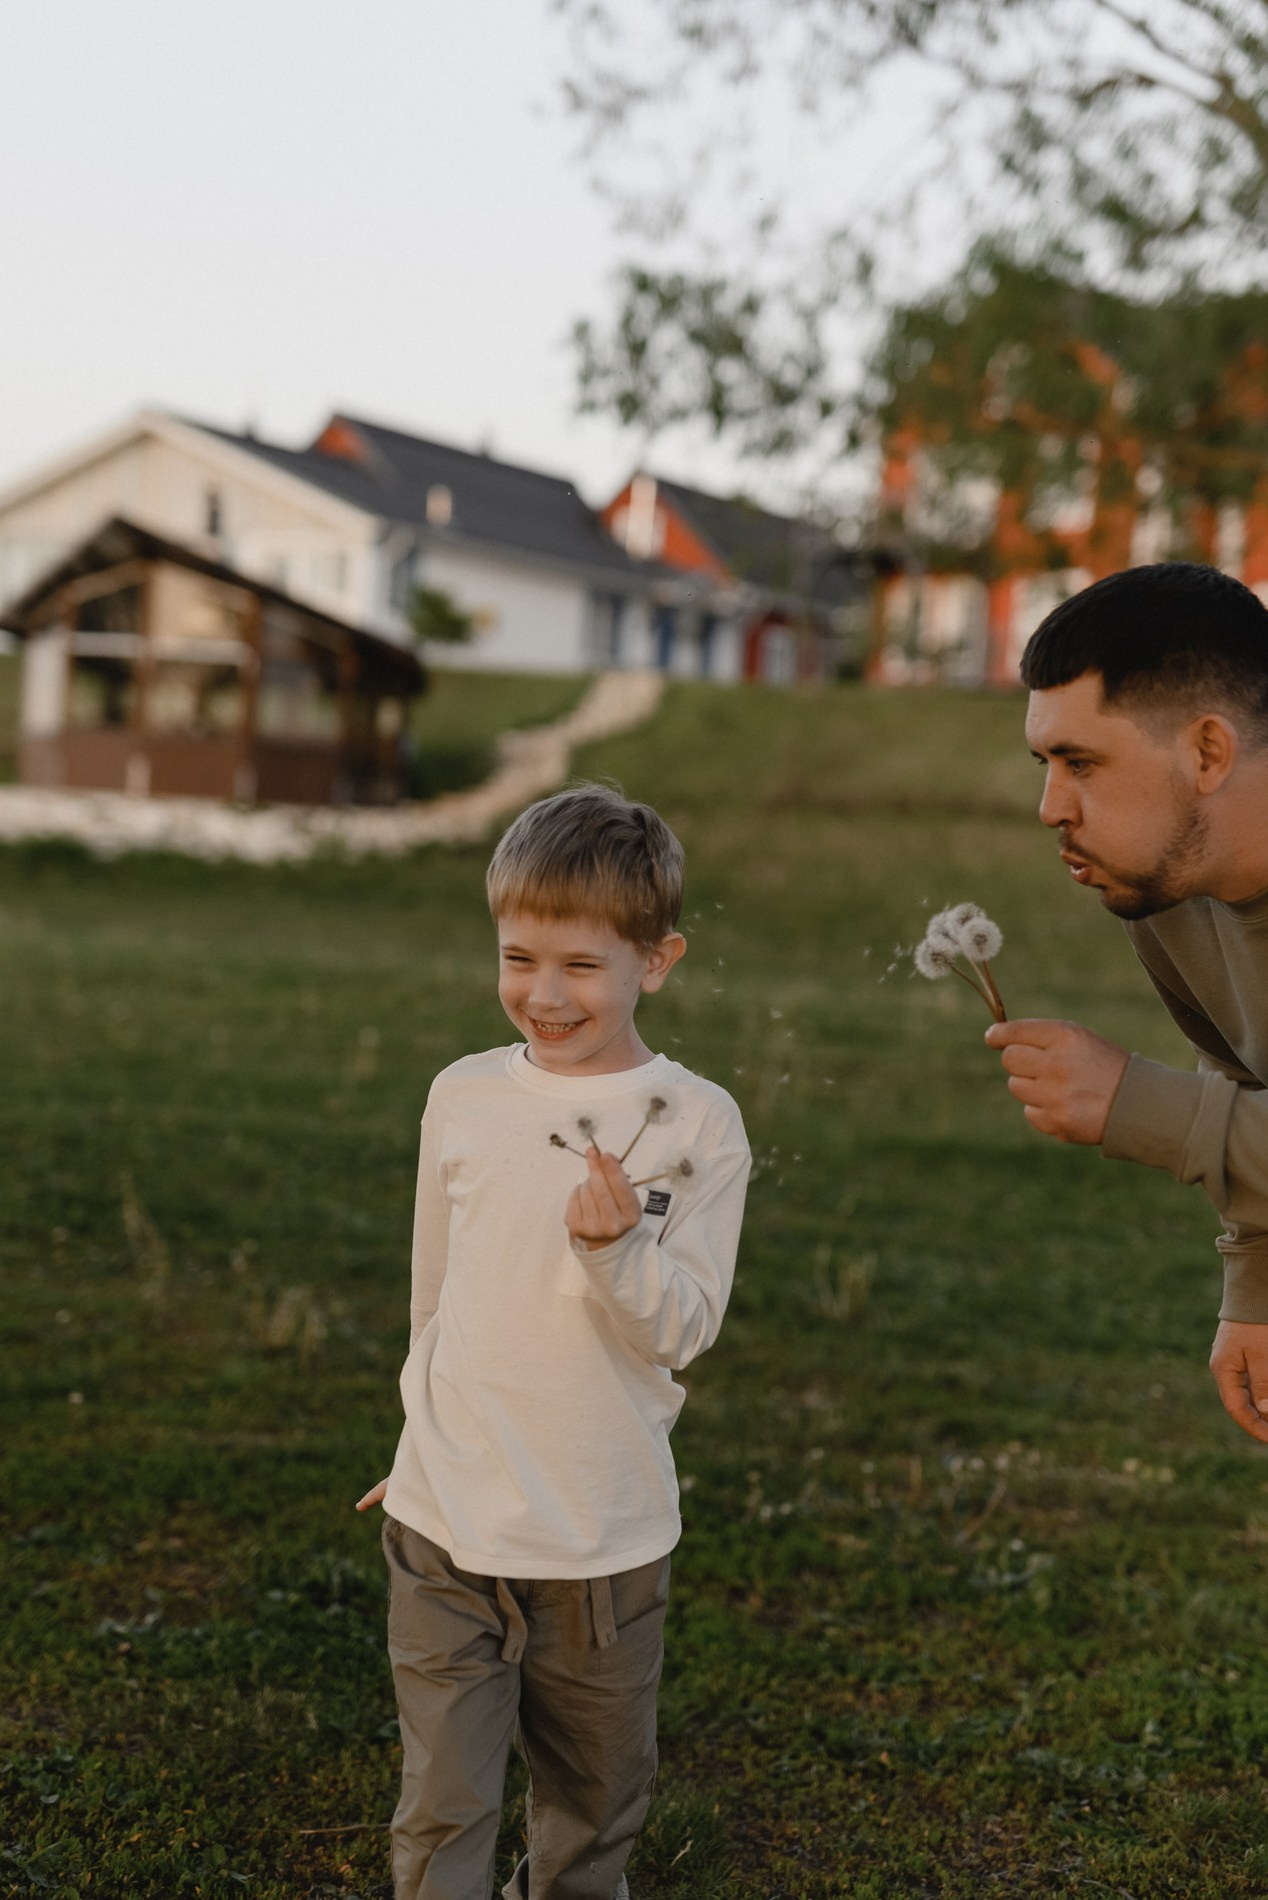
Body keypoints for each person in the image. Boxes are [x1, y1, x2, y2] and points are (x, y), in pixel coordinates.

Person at [357, 782, 751, 1900]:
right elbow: (437, 1296)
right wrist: (420, 1439)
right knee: (443, 1801)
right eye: (518, 956)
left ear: (655, 961)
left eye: (579, 965)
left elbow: (683, 1328)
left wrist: (619, 1249)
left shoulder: (696, 1125)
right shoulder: (463, 1095)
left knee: (591, 1803)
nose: (542, 993)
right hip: (447, 1527)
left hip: (601, 1539)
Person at [985, 560, 1268, 1446]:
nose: (1049, 807)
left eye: (1081, 763)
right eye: (1044, 763)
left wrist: (1137, 1105)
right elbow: (1241, 1081)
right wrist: (1256, 1289)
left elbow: (1205, 1111)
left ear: (1208, 752)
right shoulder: (1164, 892)